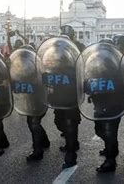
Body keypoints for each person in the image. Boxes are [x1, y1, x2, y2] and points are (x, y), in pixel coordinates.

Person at [90, 35, 124, 173]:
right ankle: (112, 148)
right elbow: (88, 80)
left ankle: (110, 161)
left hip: (114, 103)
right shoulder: (95, 64)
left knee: (110, 131)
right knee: (99, 130)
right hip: (99, 103)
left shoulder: (119, 64)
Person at [54, 25, 83, 168]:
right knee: (59, 121)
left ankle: (71, 154)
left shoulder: (79, 47)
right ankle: (72, 142)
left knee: (71, 122)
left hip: (71, 90)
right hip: (58, 90)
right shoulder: (56, 47)